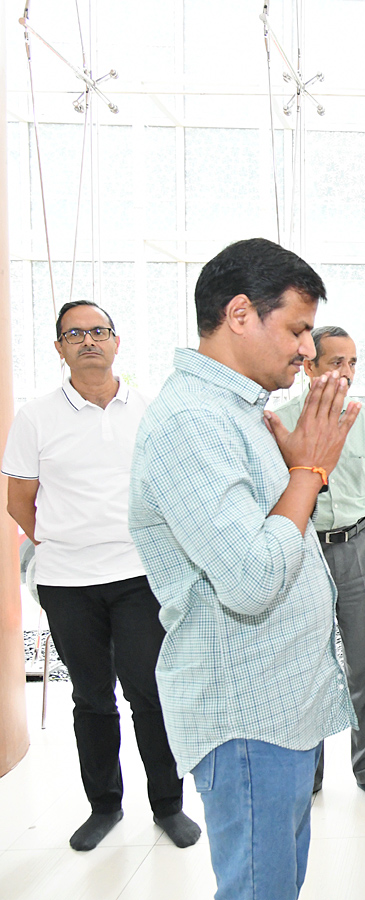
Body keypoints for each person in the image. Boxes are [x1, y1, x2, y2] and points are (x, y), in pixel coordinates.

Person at [128, 238, 358, 900]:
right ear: (238, 315)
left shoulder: (236, 411)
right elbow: (253, 580)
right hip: (247, 715)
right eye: (297, 329)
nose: (308, 350)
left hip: (277, 705)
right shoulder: (192, 423)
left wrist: (297, 472)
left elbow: (263, 529)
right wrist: (308, 472)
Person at [2, 300, 200, 852]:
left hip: (138, 576)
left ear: (116, 342)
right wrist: (63, 538)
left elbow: (171, 487)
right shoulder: (36, 417)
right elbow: (18, 500)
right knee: (91, 698)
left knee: (149, 694)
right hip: (67, 581)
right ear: (59, 348)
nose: (88, 340)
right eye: (75, 334)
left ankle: (168, 805)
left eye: (99, 331)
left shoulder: (149, 409)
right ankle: (105, 806)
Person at [274, 325, 365, 807]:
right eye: (335, 362)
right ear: (309, 367)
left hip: (359, 546)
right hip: (304, 550)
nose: (346, 372)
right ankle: (309, 773)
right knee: (307, 665)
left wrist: (357, 519)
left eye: (352, 363)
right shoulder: (281, 422)